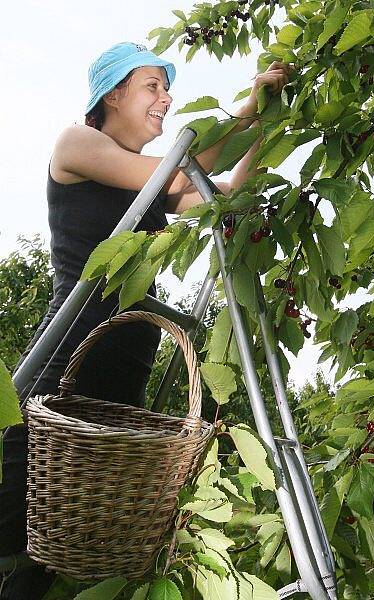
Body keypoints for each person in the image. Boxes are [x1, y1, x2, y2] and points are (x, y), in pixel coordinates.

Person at [0, 41, 292, 599]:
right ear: (112, 94)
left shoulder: (155, 182)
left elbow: (221, 194)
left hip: (124, 362)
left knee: (65, 543)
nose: (166, 97)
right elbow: (179, 173)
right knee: (18, 509)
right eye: (151, 86)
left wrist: (267, 125)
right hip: (68, 353)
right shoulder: (78, 142)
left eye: (165, 87)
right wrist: (247, 105)